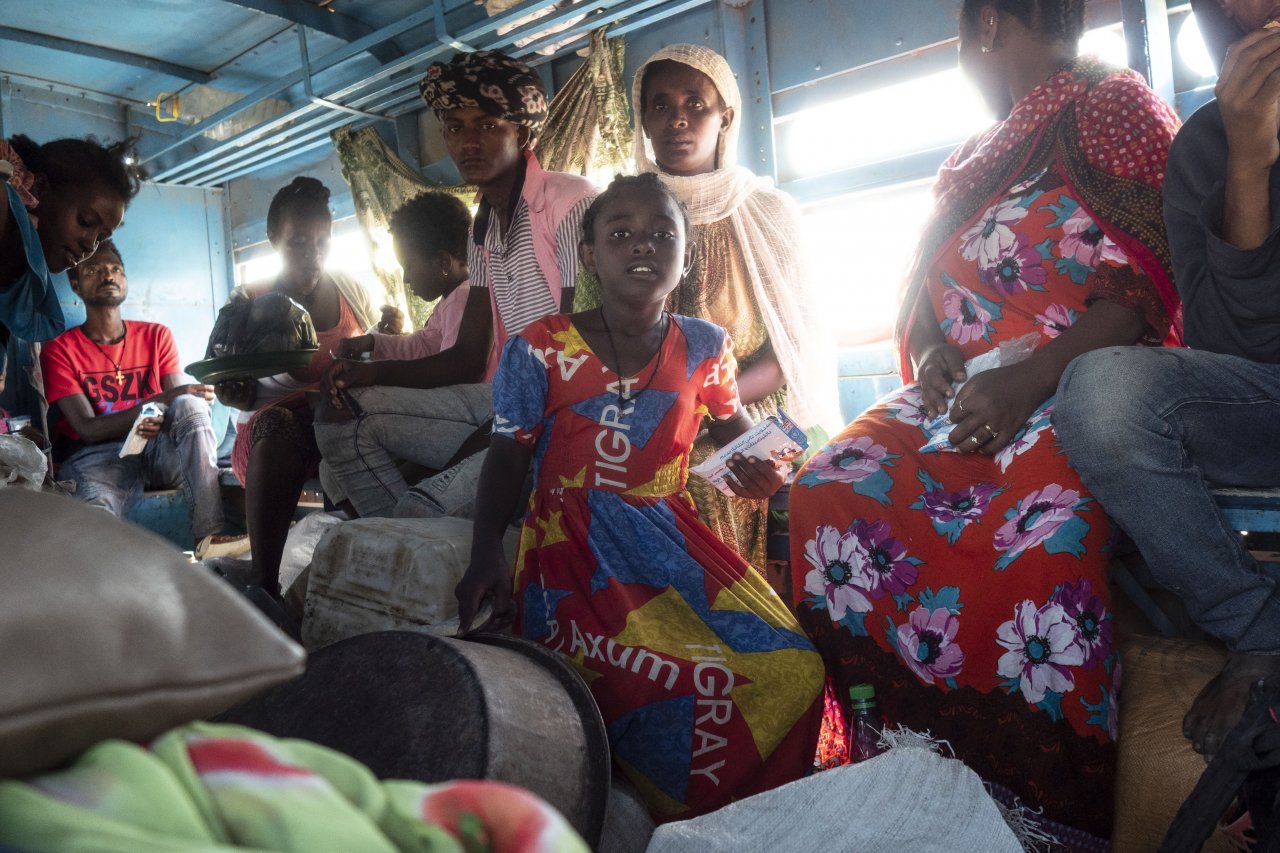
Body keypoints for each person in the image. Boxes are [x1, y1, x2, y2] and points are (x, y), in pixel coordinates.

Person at [787, 1, 1183, 845]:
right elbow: (923, 287)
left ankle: (1037, 812)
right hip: (963, 388)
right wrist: (929, 351)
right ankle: (890, 754)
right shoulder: (971, 159)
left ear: (989, 27)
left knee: (1040, 547)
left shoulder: (1116, 103)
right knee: (824, 490)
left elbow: (1152, 267)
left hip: (1076, 378)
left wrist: (1034, 378)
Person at [454, 173, 824, 822]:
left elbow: (740, 442)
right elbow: (508, 454)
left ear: (684, 252)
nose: (642, 246)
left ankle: (746, 822)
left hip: (672, 539)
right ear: (590, 254)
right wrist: (486, 552)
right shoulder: (538, 348)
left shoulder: (706, 345)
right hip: (575, 555)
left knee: (793, 667)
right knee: (672, 683)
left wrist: (765, 474)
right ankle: (675, 816)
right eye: (619, 233)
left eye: (661, 233)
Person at [1055, 0, 1280, 762]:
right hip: (1264, 404)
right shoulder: (1204, 149)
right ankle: (1259, 630)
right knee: (1100, 393)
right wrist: (1248, 158)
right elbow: (1230, 346)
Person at [313, 50, 596, 519]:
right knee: (342, 418)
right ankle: (397, 538)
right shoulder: (482, 227)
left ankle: (406, 534)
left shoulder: (569, 202)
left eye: (487, 126)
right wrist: (372, 371)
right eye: (455, 127)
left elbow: (581, 355)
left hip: (563, 413)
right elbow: (468, 357)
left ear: (522, 132)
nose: (468, 143)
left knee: (422, 510)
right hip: (503, 404)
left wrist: (490, 437)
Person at [589, 43, 839, 572]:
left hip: (746, 409)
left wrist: (702, 407)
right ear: (643, 120)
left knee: (697, 486)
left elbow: (787, 355)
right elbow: (596, 335)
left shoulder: (769, 214)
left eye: (695, 104)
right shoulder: (619, 212)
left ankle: (720, 636)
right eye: (660, 105)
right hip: (637, 407)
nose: (677, 119)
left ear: (725, 117)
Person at [214, 177, 377, 595]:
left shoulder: (352, 292)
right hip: (275, 437)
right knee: (281, 422)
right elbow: (234, 388)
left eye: (322, 242)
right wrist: (233, 390)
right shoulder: (248, 301)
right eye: (299, 242)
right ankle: (264, 585)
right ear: (273, 238)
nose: (313, 254)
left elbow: (378, 356)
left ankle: (363, 579)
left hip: (340, 423)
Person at [39, 240, 224, 542]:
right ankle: (111, 588)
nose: (107, 276)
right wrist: (160, 401)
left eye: (116, 270)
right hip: (99, 457)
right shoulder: (60, 349)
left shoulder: (156, 335)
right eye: (94, 269)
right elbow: (88, 429)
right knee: (96, 523)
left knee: (191, 405)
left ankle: (211, 538)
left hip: (156, 451)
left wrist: (189, 400)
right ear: (75, 284)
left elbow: (180, 405)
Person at [317, 191, 485, 518]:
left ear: (443, 263)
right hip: (451, 414)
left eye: (408, 267)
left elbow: (454, 369)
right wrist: (373, 343)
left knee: (350, 421)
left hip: (469, 420)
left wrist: (379, 373)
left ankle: (398, 531)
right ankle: (375, 524)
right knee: (330, 472)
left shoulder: (465, 299)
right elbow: (422, 346)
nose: (406, 279)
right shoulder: (449, 303)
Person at [0, 135, 141, 343]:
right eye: (85, 221)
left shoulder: (25, 282)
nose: (90, 245)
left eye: (100, 238)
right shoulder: (5, 208)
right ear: (39, 188)